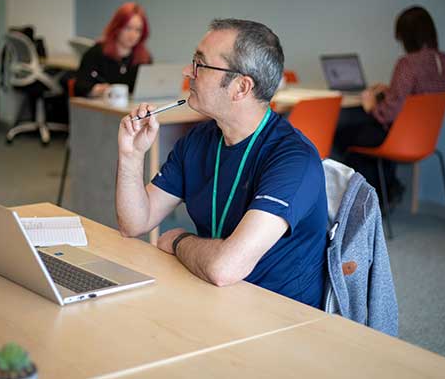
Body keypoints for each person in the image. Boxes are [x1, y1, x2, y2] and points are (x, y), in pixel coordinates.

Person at [116, 19, 328, 308]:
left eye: (199, 65)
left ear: (241, 87)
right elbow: (134, 223)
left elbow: (225, 268)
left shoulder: (294, 160)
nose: (186, 72)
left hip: (277, 317)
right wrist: (131, 156)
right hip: (211, 292)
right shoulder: (199, 140)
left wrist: (179, 241)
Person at [334, 6, 445, 204]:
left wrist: (371, 104)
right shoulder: (444, 61)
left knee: (343, 134)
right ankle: (386, 190)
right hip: (424, 137)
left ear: (407, 36)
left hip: (398, 136)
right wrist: (391, 90)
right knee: (364, 135)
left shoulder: (408, 63)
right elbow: (421, 95)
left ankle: (368, 198)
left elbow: (386, 114)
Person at [75, 2, 152, 98]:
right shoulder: (96, 53)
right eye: (128, 28)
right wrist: (100, 90)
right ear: (117, 28)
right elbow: (80, 88)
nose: (133, 35)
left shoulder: (144, 57)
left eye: (138, 30)